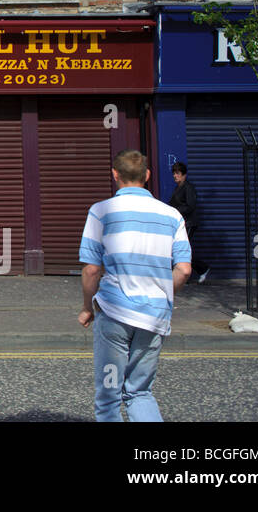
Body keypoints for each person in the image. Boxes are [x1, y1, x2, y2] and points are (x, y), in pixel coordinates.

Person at [79, 149, 191, 422]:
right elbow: (185, 269)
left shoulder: (100, 211)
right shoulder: (172, 216)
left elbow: (92, 269)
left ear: (114, 174)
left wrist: (87, 308)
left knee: (109, 395)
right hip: (154, 317)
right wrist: (162, 293)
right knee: (140, 393)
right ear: (148, 176)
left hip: (114, 315)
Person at [169, 162, 209, 282]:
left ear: (184, 175)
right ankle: (200, 269)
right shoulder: (178, 188)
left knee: (182, 250)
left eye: (178, 173)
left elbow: (190, 206)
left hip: (189, 223)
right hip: (181, 224)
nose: (175, 176)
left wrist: (176, 211)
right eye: (174, 173)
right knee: (179, 249)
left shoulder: (188, 188)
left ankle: (201, 268)